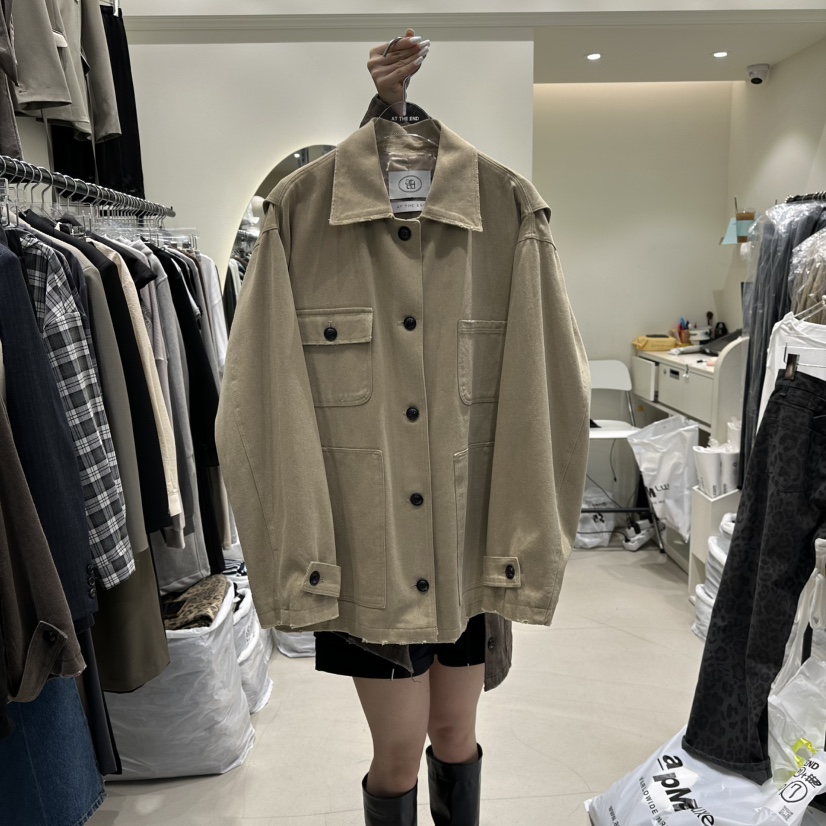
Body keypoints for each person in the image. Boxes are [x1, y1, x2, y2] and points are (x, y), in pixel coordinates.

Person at [310, 32, 489, 826]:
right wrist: (386, 107)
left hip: (460, 537)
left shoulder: (496, 219)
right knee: (398, 749)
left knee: (455, 733)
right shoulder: (311, 228)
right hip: (375, 541)